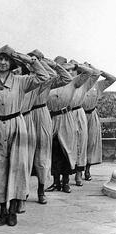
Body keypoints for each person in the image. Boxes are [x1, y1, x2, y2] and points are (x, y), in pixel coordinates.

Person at [0, 45, 49, 227]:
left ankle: (13, 210)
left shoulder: (20, 81)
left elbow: (44, 77)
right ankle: (2, 210)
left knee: (17, 168)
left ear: (11, 63)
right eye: (0, 59)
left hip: (17, 127)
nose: (3, 62)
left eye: (7, 59)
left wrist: (29, 60)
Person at [16, 50, 72, 212]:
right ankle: (22, 194)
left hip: (41, 115)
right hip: (24, 115)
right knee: (23, 156)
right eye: (32, 60)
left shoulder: (47, 79)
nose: (34, 63)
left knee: (43, 154)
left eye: (39, 60)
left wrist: (54, 65)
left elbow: (67, 78)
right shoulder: (23, 79)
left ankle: (41, 190)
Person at [46, 56, 97, 193]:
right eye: (57, 67)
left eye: (62, 67)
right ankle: (56, 182)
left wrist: (74, 67)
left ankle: (66, 182)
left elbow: (89, 73)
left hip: (66, 117)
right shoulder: (50, 82)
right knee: (54, 150)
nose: (60, 69)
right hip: (52, 118)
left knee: (67, 150)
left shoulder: (74, 82)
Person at [66, 59, 101, 186]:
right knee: (68, 144)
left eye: (74, 70)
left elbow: (96, 73)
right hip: (67, 114)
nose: (73, 73)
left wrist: (83, 65)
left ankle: (79, 174)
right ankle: (64, 176)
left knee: (82, 142)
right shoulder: (65, 82)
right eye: (70, 70)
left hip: (79, 113)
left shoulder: (85, 83)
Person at [82, 66, 116, 180]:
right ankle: (76, 171)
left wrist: (97, 70)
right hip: (79, 115)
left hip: (91, 115)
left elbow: (112, 78)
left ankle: (87, 170)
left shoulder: (97, 85)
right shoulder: (79, 83)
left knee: (91, 142)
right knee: (78, 142)